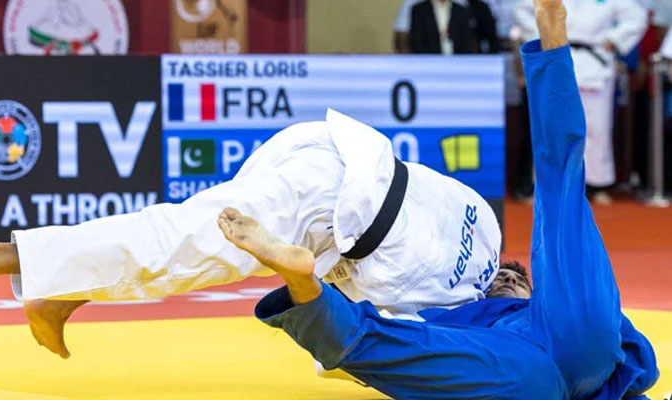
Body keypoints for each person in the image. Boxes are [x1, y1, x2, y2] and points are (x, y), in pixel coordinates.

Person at [245, 0, 659, 398]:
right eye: (505, 277)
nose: (509, 279)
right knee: (410, 347)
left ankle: (550, 28)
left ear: (534, 291)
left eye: (516, 280)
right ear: (481, 287)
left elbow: (640, 359)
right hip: (517, 372)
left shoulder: (546, 305)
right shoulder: (445, 316)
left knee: (563, 193)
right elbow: (402, 348)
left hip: (572, 340)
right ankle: (306, 290)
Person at [0, 108, 502, 358]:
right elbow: (353, 343)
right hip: (324, 202)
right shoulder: (462, 306)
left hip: (329, 151)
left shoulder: (488, 234)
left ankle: (62, 292)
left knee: (184, 255)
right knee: (177, 246)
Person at [514, 0, 647, 205]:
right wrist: (542, 37)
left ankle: (596, 185)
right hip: (555, 56)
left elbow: (636, 16)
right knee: (551, 128)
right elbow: (522, 10)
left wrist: (615, 39)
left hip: (595, 61)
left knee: (597, 128)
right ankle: (546, 186)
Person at [409, 0, 479, 54]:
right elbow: (416, 41)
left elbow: (467, 41)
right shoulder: (419, 10)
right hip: (428, 63)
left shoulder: (461, 10)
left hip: (457, 63)